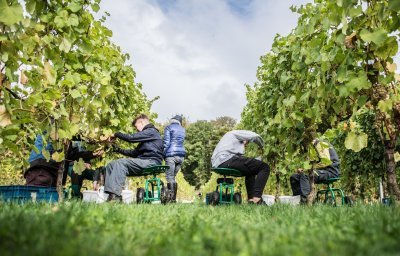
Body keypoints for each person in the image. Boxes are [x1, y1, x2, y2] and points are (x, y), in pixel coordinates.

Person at [105, 114, 163, 201]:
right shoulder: (146, 137)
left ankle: (115, 196)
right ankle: (110, 195)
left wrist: (116, 134)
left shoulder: (151, 131)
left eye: (136, 127)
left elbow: (131, 138)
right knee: (111, 165)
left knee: (121, 163)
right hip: (143, 161)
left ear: (141, 122)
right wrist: (118, 150)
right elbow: (134, 153)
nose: (136, 130)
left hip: (151, 161)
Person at [211, 130, 270, 204]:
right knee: (264, 167)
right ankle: (257, 199)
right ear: (244, 137)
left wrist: (259, 159)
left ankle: (251, 200)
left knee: (251, 170)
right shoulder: (234, 133)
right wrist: (264, 147)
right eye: (246, 143)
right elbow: (255, 136)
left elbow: (242, 162)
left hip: (219, 163)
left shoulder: (228, 144)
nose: (245, 145)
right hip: (227, 160)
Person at [290, 138, 340, 202]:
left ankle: (305, 202)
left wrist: (307, 169)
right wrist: (304, 169)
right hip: (321, 171)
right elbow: (312, 164)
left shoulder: (320, 144)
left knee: (305, 175)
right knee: (294, 177)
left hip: (330, 171)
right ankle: (297, 201)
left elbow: (325, 162)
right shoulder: (313, 148)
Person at [163, 114, 186, 202]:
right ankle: (173, 199)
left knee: (169, 177)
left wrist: (163, 154)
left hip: (171, 155)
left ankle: (170, 199)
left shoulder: (168, 128)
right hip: (181, 155)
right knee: (173, 177)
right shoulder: (183, 130)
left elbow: (166, 143)